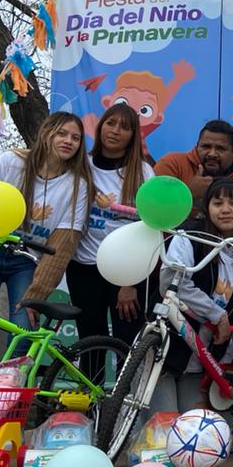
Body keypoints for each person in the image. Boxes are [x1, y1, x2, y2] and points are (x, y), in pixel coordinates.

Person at [0, 112, 93, 386]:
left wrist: (38, 291)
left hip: (27, 262)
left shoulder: (78, 185)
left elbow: (63, 245)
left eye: (76, 138)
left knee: (23, 335)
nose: (69, 141)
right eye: (62, 133)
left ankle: (7, 410)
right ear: (46, 134)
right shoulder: (11, 163)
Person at [155, 177, 233, 412]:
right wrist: (217, 315)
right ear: (207, 208)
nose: (225, 210)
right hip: (166, 355)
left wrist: (229, 362)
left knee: (205, 428)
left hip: (204, 363)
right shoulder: (189, 237)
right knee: (162, 427)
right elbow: (171, 285)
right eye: (217, 203)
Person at [67, 102, 155, 345]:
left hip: (125, 270)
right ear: (100, 127)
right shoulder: (80, 165)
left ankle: (124, 386)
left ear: (133, 136)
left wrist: (129, 282)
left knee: (127, 342)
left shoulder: (144, 172)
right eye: (110, 123)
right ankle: (89, 385)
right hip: (83, 266)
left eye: (124, 127)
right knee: (90, 341)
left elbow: (150, 230)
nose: (115, 131)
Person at [153, 120, 233, 220]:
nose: (212, 153)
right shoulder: (173, 164)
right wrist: (190, 194)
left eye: (220, 148)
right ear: (197, 146)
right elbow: (152, 210)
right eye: (206, 147)